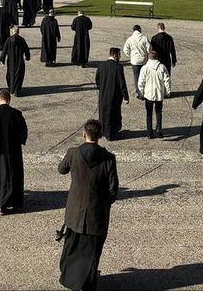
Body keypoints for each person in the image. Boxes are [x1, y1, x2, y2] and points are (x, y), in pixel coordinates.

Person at [58, 119, 119, 291]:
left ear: (85, 133)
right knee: (92, 252)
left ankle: (70, 279)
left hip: (75, 212)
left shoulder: (73, 153)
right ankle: (87, 282)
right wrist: (104, 203)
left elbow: (61, 169)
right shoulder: (108, 158)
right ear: (100, 136)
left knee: (72, 247)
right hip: (96, 214)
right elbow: (113, 190)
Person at [0, 90, 29, 214]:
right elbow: (23, 131)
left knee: (0, 176)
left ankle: (1, 202)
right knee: (15, 176)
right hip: (13, 151)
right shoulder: (16, 114)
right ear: (9, 99)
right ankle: (16, 202)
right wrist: (19, 141)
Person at [94, 48, 129, 140]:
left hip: (103, 94)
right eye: (119, 55)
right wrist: (126, 96)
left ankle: (103, 131)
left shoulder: (101, 65)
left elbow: (97, 80)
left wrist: (101, 88)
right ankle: (111, 132)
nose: (120, 57)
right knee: (113, 114)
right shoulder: (118, 67)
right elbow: (122, 83)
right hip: (115, 95)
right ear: (115, 55)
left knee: (103, 114)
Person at [137, 50, 171, 139]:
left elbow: (141, 81)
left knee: (149, 113)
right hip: (159, 93)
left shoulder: (145, 68)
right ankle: (159, 129)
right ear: (157, 57)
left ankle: (149, 132)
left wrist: (141, 91)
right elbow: (167, 80)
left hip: (148, 93)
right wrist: (168, 91)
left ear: (149, 57)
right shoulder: (162, 67)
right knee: (159, 112)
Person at [1, 26, 31, 96]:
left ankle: (11, 89)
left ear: (13, 32)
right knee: (19, 75)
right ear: (18, 32)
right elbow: (26, 50)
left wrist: (2, 59)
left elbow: (4, 50)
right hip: (19, 60)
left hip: (11, 61)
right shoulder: (22, 40)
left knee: (10, 75)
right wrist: (27, 57)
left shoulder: (8, 40)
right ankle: (17, 91)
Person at [122, 25, 150, 93]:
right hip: (143, 60)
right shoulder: (144, 38)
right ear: (140, 30)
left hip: (135, 61)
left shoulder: (130, 39)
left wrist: (130, 56)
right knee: (144, 75)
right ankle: (145, 89)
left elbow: (125, 49)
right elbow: (149, 49)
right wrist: (147, 55)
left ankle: (138, 90)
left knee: (136, 76)